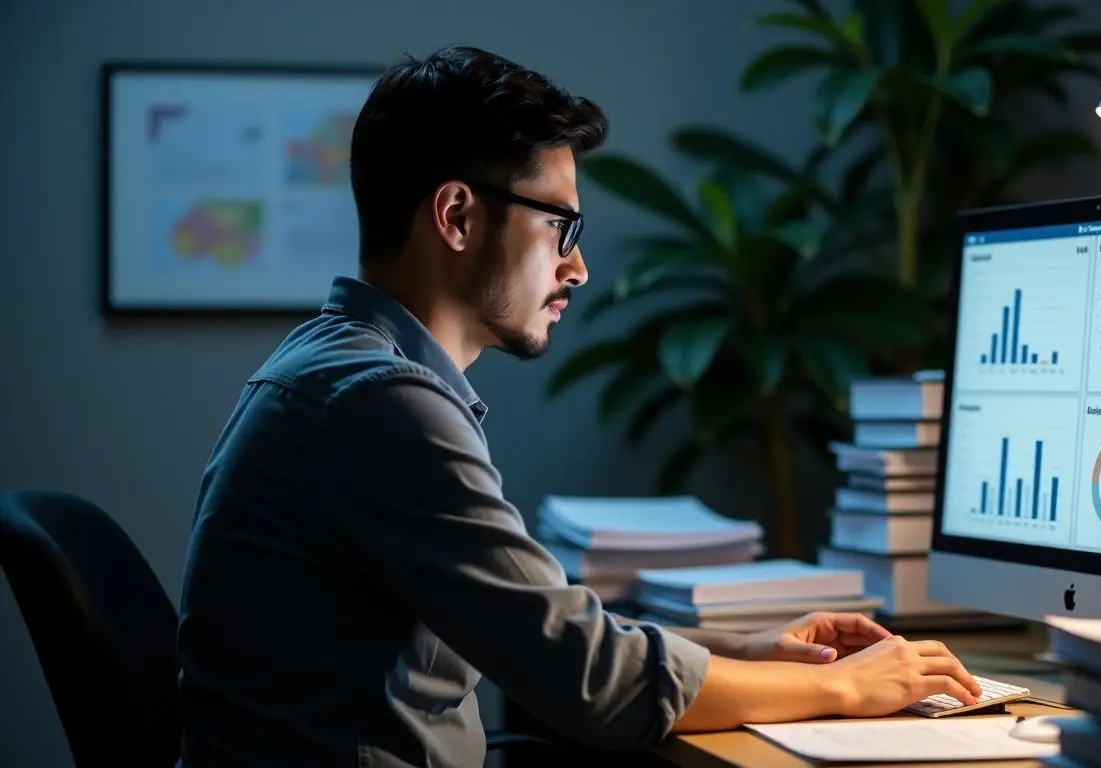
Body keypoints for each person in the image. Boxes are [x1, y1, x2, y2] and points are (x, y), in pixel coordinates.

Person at [175, 44, 982, 768]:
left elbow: (541, 629)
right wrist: (845, 691)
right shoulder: (381, 405)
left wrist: (746, 647)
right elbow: (591, 683)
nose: (580, 268)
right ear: (457, 216)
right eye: (561, 226)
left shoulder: (332, 364)